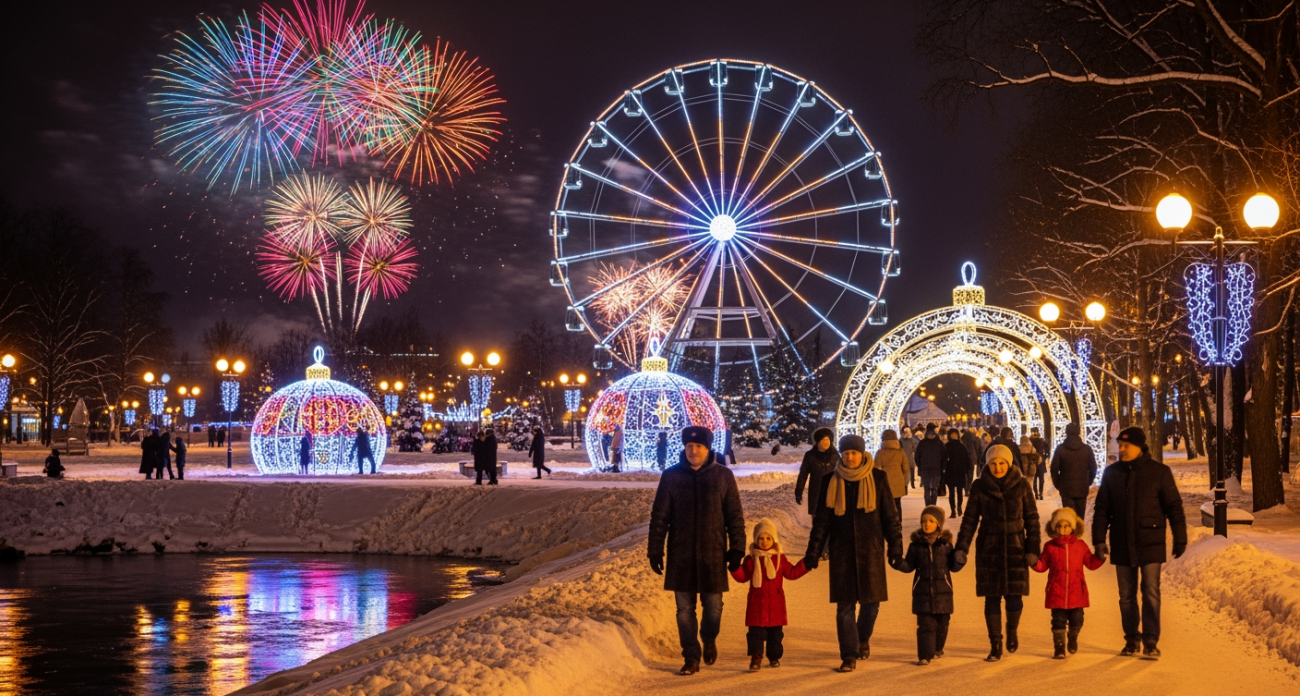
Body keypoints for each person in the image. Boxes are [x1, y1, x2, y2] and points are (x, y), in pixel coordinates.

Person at [648, 425, 746, 676]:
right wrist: (655, 549)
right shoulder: (671, 476)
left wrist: (736, 549)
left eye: (698, 446)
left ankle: (709, 638)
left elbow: (734, 516)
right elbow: (660, 515)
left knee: (714, 608)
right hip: (681, 554)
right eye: (689, 446)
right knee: (684, 610)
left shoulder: (723, 476)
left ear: (707, 448)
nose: (693, 451)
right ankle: (691, 655)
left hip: (712, 554)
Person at [803, 434, 903, 673]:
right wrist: (813, 552)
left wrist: (896, 548)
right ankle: (849, 654)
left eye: (854, 453)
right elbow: (822, 522)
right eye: (846, 453)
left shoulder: (878, 478)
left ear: (862, 454)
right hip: (842, 552)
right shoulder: (830, 481)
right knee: (844, 607)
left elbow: (890, 518)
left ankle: (862, 637)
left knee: (871, 605)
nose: (850, 457)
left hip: (871, 551)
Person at [1091, 427, 1186, 659]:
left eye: (1125, 446)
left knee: (1150, 591)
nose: (1120, 449)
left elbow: (1173, 506)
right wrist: (1098, 540)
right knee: (1126, 595)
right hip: (1122, 541)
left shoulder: (1159, 472)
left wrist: (1180, 536)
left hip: (1150, 541)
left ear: (1139, 447)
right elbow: (1102, 508)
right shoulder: (1112, 473)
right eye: (1119, 445)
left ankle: (1151, 640)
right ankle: (1132, 638)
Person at [955, 443, 1041, 662]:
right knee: (991, 599)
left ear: (1009, 463)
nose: (998, 467)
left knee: (1014, 598)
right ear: (988, 464)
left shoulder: (1021, 485)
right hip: (989, 549)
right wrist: (962, 547)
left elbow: (1032, 519)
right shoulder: (979, 487)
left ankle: (1011, 630)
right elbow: (970, 519)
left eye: (1002, 463)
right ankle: (995, 643)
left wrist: (1033, 549)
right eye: (993, 463)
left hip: (1016, 548)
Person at [730, 518, 811, 671]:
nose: (764, 542)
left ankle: (774, 657)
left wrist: (805, 564)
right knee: (755, 635)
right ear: (755, 540)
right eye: (761, 538)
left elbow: (792, 573)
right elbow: (742, 577)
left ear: (773, 540)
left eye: (768, 538)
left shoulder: (779, 559)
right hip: (756, 606)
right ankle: (756, 658)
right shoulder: (751, 560)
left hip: (776, 606)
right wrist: (734, 567)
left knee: (775, 637)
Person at [891, 506, 965, 665]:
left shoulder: (946, 545)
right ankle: (925, 655)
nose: (927, 524)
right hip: (922, 591)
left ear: (938, 524)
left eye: (931, 521)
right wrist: (898, 563)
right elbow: (909, 566)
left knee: (942, 624)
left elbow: (953, 567)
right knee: (925, 624)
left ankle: (938, 648)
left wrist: (960, 560)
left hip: (943, 592)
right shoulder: (916, 546)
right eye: (924, 521)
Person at [1032, 507, 1104, 659]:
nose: (1063, 529)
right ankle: (1059, 647)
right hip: (1056, 591)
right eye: (1059, 526)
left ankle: (1073, 636)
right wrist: (1034, 563)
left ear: (1072, 527)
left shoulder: (1080, 546)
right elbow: (1043, 565)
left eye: (1066, 526)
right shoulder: (1050, 547)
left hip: (1076, 591)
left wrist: (1099, 557)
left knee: (1077, 619)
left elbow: (1090, 564)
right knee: (1058, 621)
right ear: (1054, 528)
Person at [1051, 422, 1097, 517]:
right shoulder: (1087, 449)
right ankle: (1079, 532)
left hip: (1066, 488)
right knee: (1079, 518)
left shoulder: (1060, 449)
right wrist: (1087, 482)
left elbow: (1054, 469)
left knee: (1069, 518)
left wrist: (1059, 484)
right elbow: (1093, 469)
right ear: (1079, 432)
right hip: (1082, 488)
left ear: (1066, 432)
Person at [795, 427, 837, 516]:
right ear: (818, 441)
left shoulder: (835, 455)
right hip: (816, 493)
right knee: (817, 520)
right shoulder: (810, 456)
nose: (826, 442)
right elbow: (803, 474)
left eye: (827, 440)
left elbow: (843, 473)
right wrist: (799, 491)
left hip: (833, 493)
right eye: (823, 440)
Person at [874, 429, 909, 517]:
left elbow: (876, 469)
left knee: (887, 505)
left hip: (885, 482)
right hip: (898, 481)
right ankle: (899, 522)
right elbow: (906, 468)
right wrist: (905, 482)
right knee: (897, 504)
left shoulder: (880, 453)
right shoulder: (900, 452)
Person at [914, 424, 946, 506]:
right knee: (931, 489)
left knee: (930, 489)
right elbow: (944, 456)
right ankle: (930, 506)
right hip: (932, 469)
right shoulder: (938, 443)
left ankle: (930, 506)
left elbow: (944, 456)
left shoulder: (923, 443)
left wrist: (921, 466)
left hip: (930, 469)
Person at [943, 429, 972, 517]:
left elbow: (966, 458)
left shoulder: (961, 446)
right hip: (950, 472)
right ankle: (953, 510)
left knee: (960, 491)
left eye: (955, 435)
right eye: (952, 435)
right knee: (951, 492)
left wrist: (966, 469)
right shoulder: (947, 446)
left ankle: (959, 507)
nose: (954, 436)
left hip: (960, 471)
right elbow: (944, 458)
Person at [1020, 436, 1043, 500]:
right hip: (1031, 469)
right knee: (1030, 485)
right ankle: (1029, 498)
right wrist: (1034, 463)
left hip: (1021, 470)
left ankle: (1023, 498)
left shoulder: (1018, 448)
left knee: (1021, 485)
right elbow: (1039, 459)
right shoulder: (1032, 448)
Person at [961, 428, 982, 493]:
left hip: (963, 457)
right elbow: (978, 449)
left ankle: (965, 486)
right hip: (972, 457)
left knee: (965, 473)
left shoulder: (962, 438)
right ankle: (968, 488)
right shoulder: (975, 438)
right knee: (970, 472)